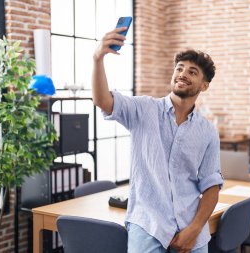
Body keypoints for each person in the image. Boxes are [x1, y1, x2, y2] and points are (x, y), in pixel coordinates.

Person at [92, 26, 223, 253]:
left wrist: (194, 229)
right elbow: (103, 100)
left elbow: (211, 186)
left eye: (192, 72)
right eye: (180, 68)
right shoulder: (144, 109)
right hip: (147, 224)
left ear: (204, 85)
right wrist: (98, 58)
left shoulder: (207, 132)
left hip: (191, 228)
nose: (182, 73)